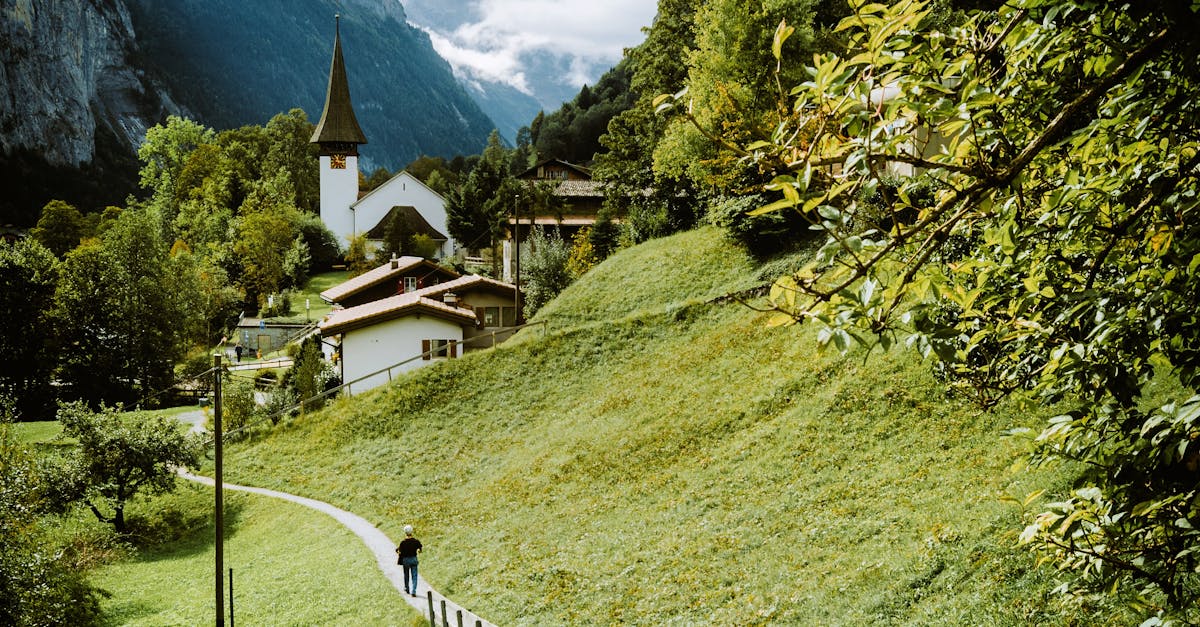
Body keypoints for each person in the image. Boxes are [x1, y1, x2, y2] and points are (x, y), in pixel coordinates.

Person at [395, 525, 423, 596]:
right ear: (411, 532)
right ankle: (414, 591)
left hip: (406, 560)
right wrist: (418, 551)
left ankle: (407, 588)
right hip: (413, 559)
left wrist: (398, 552)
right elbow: (420, 549)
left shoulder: (403, 542)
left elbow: (399, 551)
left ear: (405, 532)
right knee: (414, 575)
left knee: (406, 575)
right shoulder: (416, 541)